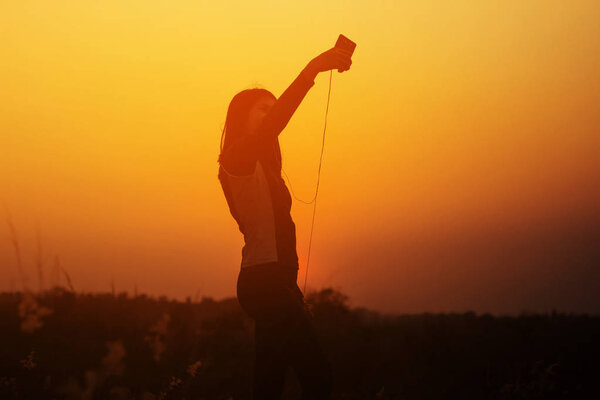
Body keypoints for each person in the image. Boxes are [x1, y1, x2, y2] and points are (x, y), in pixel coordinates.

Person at [217, 45, 352, 399]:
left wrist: (292, 289)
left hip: (278, 284)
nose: (272, 115)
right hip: (262, 283)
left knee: (269, 382)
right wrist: (312, 69)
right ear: (242, 117)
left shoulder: (264, 167)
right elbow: (275, 125)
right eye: (264, 109)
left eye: (272, 109)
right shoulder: (235, 158)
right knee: (318, 375)